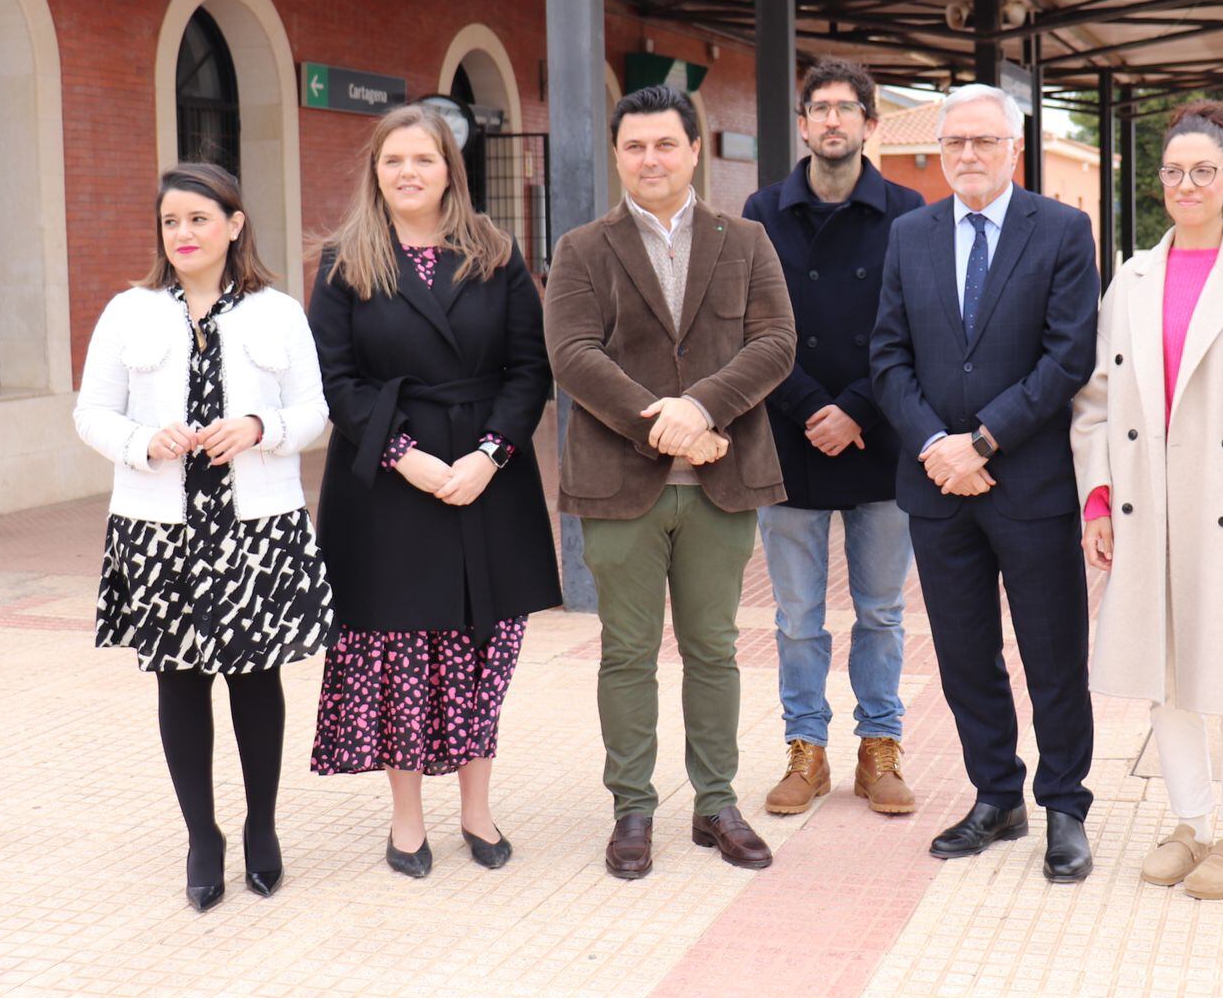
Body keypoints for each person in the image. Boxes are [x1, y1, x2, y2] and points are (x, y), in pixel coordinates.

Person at [1070, 101, 1223, 901]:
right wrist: (1098, 498)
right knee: (1164, 670)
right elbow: (1096, 400)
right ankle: (1189, 823)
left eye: (1203, 172)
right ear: (1161, 183)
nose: (1188, 183)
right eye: (1175, 172)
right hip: (1148, 505)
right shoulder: (1134, 276)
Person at [545, 84, 796, 880]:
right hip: (621, 483)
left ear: (693, 150)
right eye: (634, 147)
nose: (650, 159)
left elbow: (776, 343)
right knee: (626, 652)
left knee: (714, 648)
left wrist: (702, 408)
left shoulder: (746, 239)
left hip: (722, 482)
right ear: (619, 156)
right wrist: (664, 423)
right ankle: (632, 808)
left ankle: (715, 802)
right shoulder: (583, 248)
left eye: (665, 145)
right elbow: (574, 353)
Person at [307, 103, 561, 880]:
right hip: (388, 484)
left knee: (483, 647)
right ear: (375, 174)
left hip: (487, 475)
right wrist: (403, 455)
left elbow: (530, 370)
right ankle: (407, 821)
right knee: (401, 657)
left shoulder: (496, 251)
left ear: (450, 167)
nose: (408, 173)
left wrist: (491, 453)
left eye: (423, 159)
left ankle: (477, 812)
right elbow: (336, 380)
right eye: (393, 161)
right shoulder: (345, 259)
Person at [74, 161, 335, 911]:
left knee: (257, 679)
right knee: (179, 681)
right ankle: (202, 836)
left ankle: (261, 827)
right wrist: (142, 442)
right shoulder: (129, 312)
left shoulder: (278, 312)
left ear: (234, 224)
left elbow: (315, 413)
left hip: (256, 524)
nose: (183, 233)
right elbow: (91, 412)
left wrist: (261, 427)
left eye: (198, 218)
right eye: (171, 222)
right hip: (160, 529)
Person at [869, 82, 1100, 882]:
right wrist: (937, 443)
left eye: (983, 142)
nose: (968, 155)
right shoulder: (912, 235)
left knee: (1053, 652)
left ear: (1014, 150)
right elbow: (887, 355)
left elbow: (1069, 357)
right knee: (965, 653)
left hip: (1028, 483)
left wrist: (986, 440)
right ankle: (995, 796)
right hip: (936, 486)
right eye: (955, 142)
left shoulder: (1064, 231)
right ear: (941, 152)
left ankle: (1064, 805)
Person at [742, 59, 927, 817]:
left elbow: (916, 329)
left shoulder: (910, 213)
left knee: (882, 612)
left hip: (880, 441)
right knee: (795, 618)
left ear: (870, 124)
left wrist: (855, 408)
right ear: (804, 123)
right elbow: (750, 328)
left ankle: (879, 749)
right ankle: (806, 750)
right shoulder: (761, 211)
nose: (831, 121)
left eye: (846, 109)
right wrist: (811, 405)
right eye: (817, 108)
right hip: (790, 442)